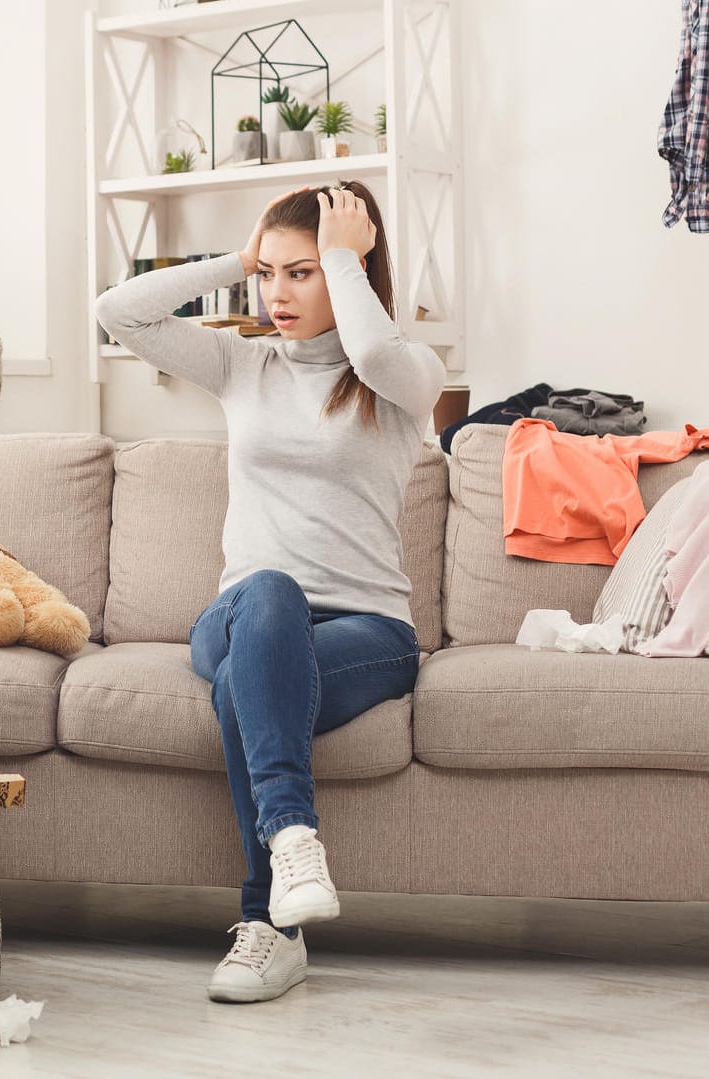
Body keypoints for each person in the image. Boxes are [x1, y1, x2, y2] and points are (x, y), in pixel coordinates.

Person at [93, 182, 445, 1003]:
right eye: (268, 275)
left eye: (303, 273)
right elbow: (119, 310)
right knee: (268, 597)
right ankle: (293, 840)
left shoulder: (403, 381)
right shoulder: (241, 362)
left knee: (247, 690)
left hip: (368, 629)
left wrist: (343, 258)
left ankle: (269, 929)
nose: (276, 295)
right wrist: (233, 258)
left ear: (351, 272)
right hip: (244, 608)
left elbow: (377, 353)